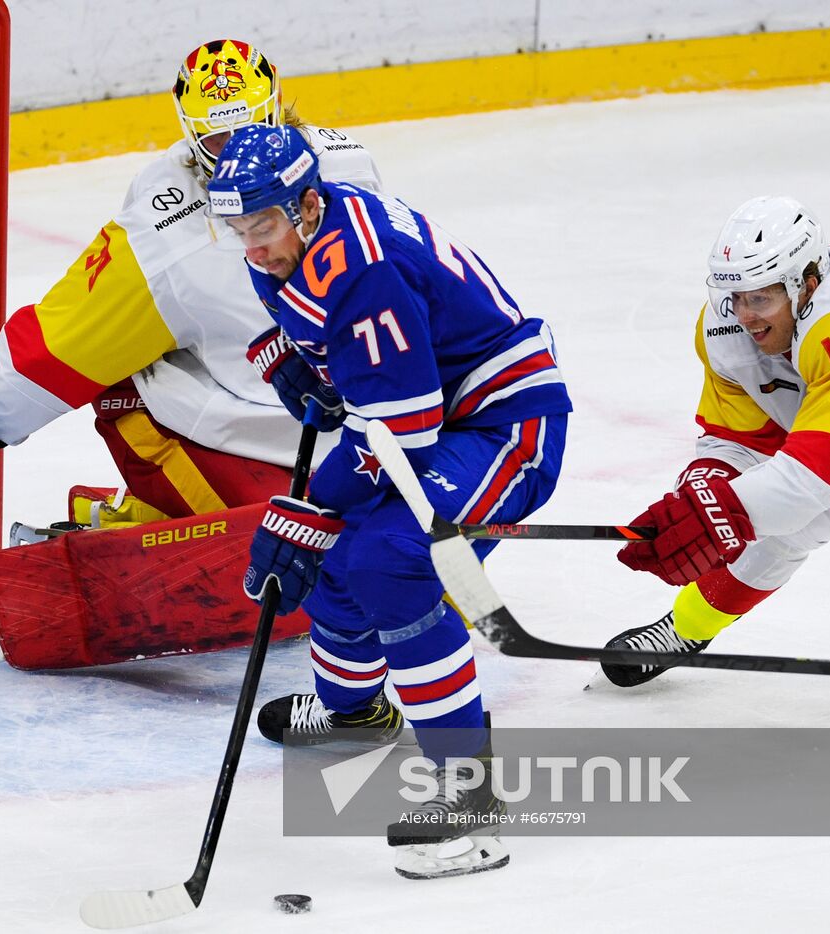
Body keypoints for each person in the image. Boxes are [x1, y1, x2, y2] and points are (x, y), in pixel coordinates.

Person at [207, 124, 571, 879]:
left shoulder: (362, 265)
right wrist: (303, 365)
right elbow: (346, 351)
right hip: (441, 409)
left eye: (263, 226)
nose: (253, 246)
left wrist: (311, 504)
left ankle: (470, 797)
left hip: (505, 424)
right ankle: (357, 714)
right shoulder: (288, 239)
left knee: (390, 559)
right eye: (237, 230)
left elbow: (405, 425)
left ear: (306, 206)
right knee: (341, 551)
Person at [0, 39, 383, 523]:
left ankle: (159, 516)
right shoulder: (177, 228)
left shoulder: (336, 171)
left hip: (311, 426)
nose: (237, 154)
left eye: (248, 131)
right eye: (219, 141)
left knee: (123, 365)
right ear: (192, 136)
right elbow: (70, 335)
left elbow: (71, 339)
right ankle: (144, 516)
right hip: (298, 427)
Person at [603, 195, 830, 686]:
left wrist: (716, 515)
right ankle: (684, 629)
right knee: (782, 533)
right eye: (735, 297)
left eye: (761, 298)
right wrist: (704, 491)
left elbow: (805, 486)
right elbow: (735, 439)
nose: (746, 316)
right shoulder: (724, 327)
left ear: (808, 283)